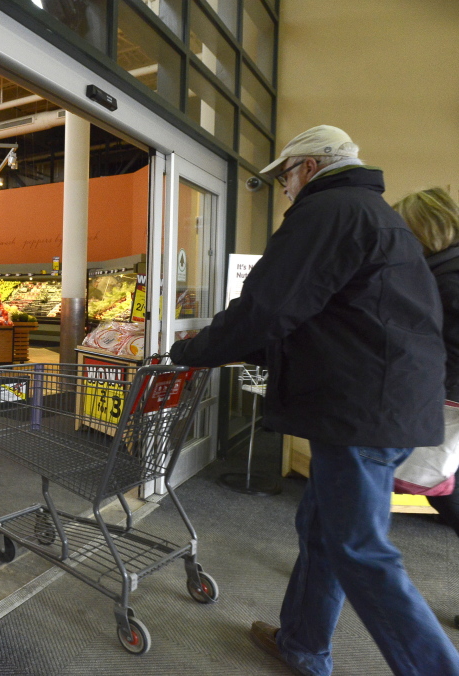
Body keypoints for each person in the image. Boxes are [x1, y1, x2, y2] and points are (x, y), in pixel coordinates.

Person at [169, 125, 459, 676]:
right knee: (322, 531)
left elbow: (266, 309)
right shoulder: (375, 217)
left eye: (285, 176)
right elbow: (337, 323)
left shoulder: (327, 212)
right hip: (383, 405)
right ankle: (302, 643)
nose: (283, 189)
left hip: (361, 413)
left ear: (309, 167)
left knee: (360, 551)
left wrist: (197, 351)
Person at [393, 187, 459, 592]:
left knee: (440, 488)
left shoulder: (445, 282)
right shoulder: (444, 272)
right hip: (446, 401)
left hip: (446, 404)